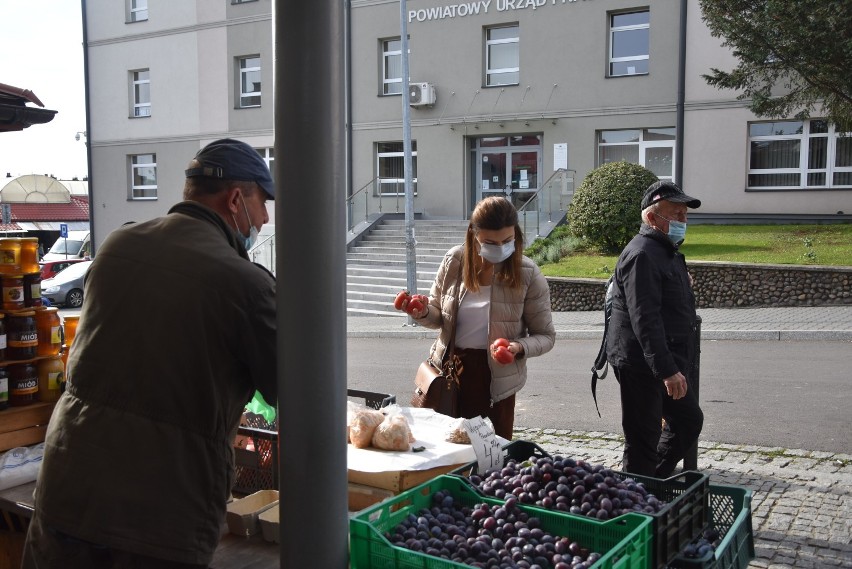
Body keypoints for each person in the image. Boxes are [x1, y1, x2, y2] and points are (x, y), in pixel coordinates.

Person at [22, 139, 278, 568]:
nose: (264, 218)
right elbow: (289, 387)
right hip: (158, 518)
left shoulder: (116, 247)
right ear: (236, 199)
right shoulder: (244, 283)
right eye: (262, 202)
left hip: (66, 489)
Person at [397, 196, 555, 440]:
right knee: (444, 449)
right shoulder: (455, 261)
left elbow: (546, 336)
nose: (500, 248)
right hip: (451, 373)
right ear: (473, 234)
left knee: (490, 459)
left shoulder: (528, 273)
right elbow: (439, 315)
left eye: (507, 240)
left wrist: (517, 347)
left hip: (496, 382)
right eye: (490, 242)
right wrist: (423, 312)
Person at [605, 180, 704, 477]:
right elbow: (644, 318)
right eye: (676, 214)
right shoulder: (643, 254)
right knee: (643, 439)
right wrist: (667, 371)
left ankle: (650, 483)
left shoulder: (663, 249)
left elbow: (662, 300)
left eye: (685, 215)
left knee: (687, 420)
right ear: (651, 218)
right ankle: (636, 500)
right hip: (642, 364)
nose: (683, 221)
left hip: (663, 360)